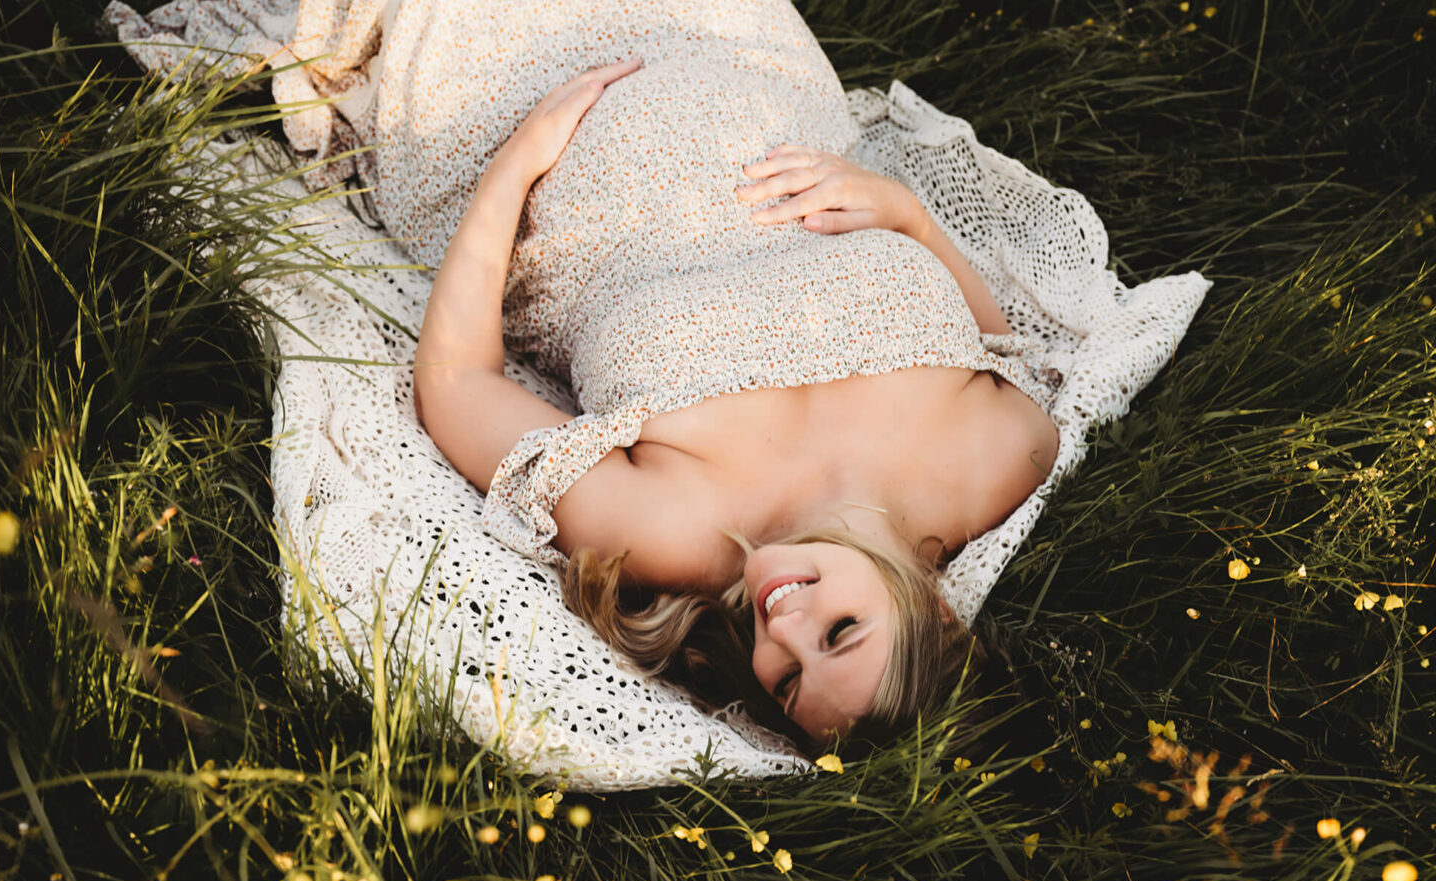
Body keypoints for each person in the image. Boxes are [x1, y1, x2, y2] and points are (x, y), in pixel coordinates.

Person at [414, 50, 1061, 748]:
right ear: (934, 613)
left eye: (785, 680)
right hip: (748, 55)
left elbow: (458, 387)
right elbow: (995, 344)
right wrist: (910, 220)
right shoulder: (1004, 453)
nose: (782, 628)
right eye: (840, 633)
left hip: (519, 89)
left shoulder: (674, 532)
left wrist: (513, 168)